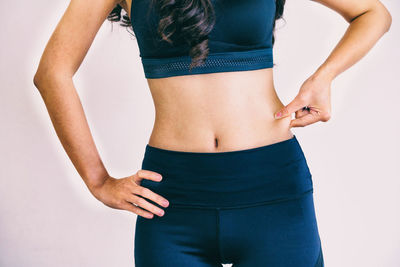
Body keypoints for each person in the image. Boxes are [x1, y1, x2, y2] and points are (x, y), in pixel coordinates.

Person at [33, 0, 392, 266]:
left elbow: (373, 13)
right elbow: (52, 73)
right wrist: (98, 181)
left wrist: (323, 77)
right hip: (172, 203)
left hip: (272, 193)